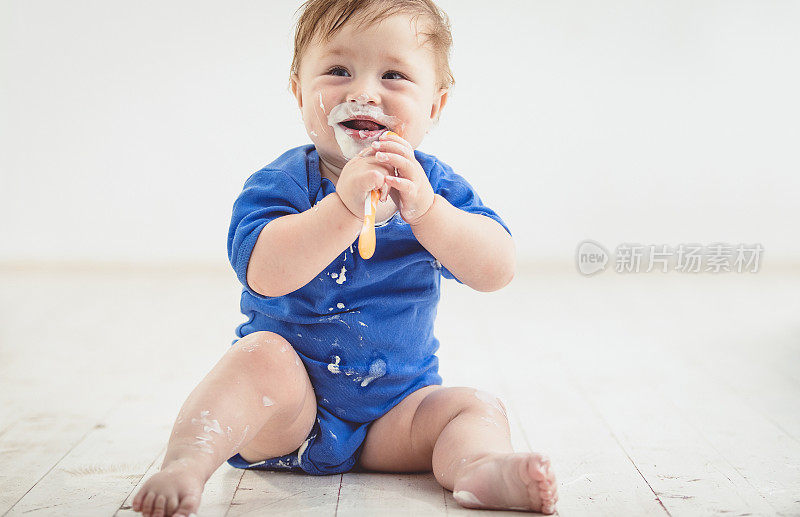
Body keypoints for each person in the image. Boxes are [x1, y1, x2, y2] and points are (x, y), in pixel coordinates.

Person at [132, 1, 558, 515]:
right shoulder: (283, 182)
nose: (363, 92)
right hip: (288, 414)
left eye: (394, 75)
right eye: (338, 71)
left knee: (473, 408)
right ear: (298, 92)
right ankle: (186, 463)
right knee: (257, 358)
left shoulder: (433, 189)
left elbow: (496, 269)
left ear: (435, 106)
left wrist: (428, 213)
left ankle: (482, 468)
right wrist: (342, 208)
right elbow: (264, 273)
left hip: (395, 413)